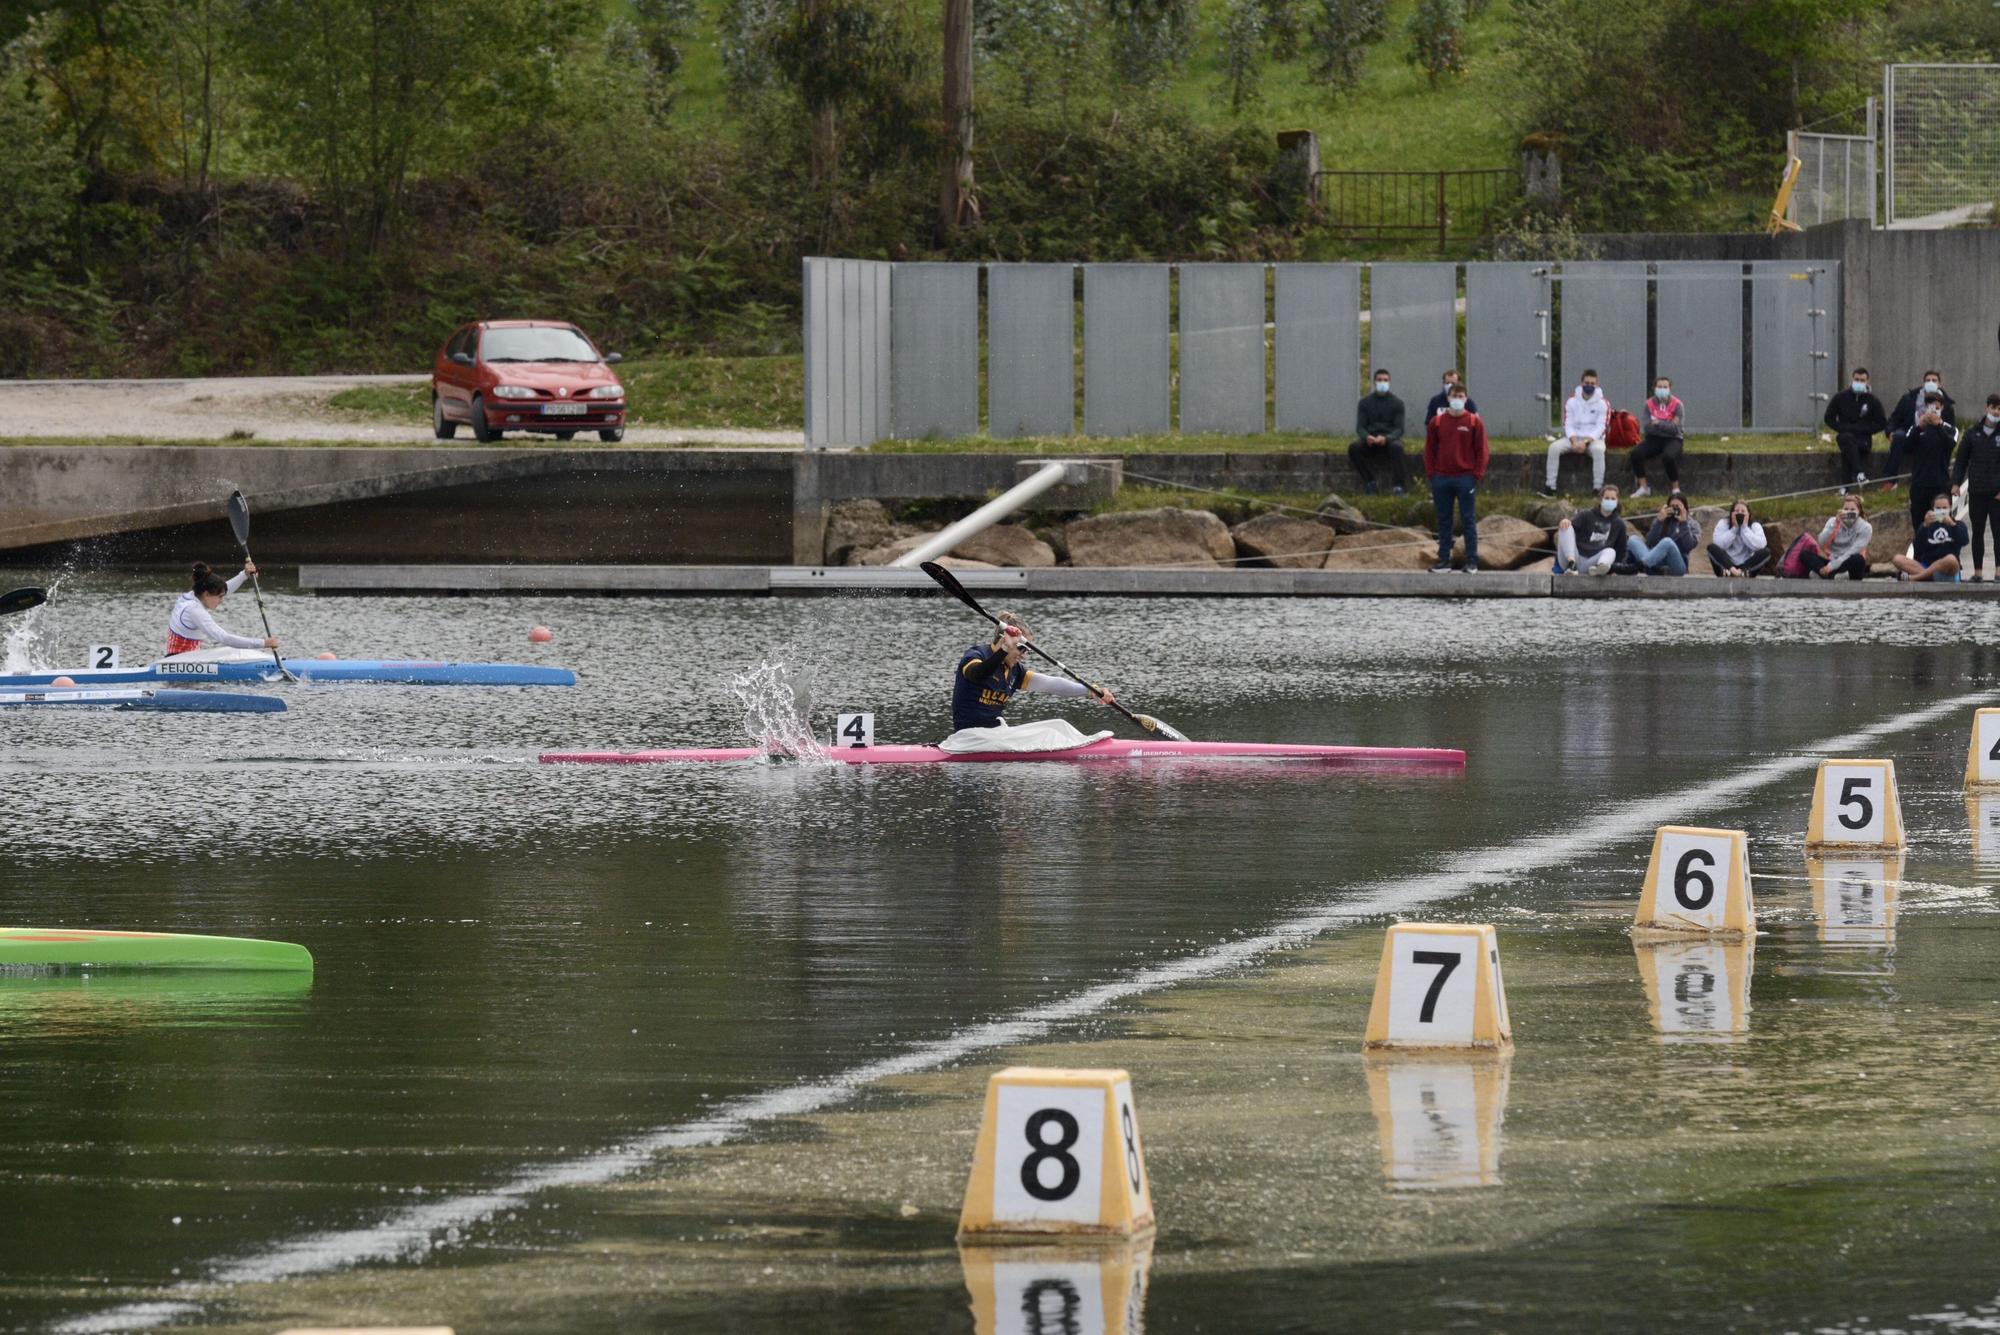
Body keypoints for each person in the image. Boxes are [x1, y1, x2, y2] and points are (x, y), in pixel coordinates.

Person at [951, 615, 1114, 733]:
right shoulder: (975, 656)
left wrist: (1090, 690)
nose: (1024, 655)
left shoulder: (1015, 670)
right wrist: (1004, 650)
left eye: (1027, 650)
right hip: (969, 737)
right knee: (1053, 730)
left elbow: (1052, 684)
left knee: (1058, 725)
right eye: (1021, 648)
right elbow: (977, 675)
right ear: (1003, 640)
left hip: (995, 735)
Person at [1423, 383, 1488, 573]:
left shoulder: (1475, 422)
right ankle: (1444, 560)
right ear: (1448, 398)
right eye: (1454, 396)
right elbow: (1429, 450)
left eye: (1461, 396)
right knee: (1444, 520)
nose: (1457, 399)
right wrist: (1432, 474)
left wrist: (1477, 474)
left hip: (1465, 477)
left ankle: (1472, 561)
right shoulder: (1437, 422)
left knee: (1468, 519)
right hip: (1441, 477)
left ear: (1466, 399)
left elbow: (1482, 451)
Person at [167, 561, 278, 656]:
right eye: (220, 597)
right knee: (231, 652)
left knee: (229, 652)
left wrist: (244, 575)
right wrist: (263, 643)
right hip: (181, 662)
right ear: (206, 594)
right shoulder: (194, 611)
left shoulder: (190, 596)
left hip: (184, 659)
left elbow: (224, 589)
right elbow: (225, 638)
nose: (222, 600)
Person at [1951, 393, 2000, 582]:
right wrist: (1956, 483)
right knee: (1977, 531)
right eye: (1994, 408)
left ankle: (1998, 571)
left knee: (1998, 532)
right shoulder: (1972, 433)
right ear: (1987, 408)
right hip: (1977, 490)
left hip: (1996, 493)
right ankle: (1978, 572)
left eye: (1999, 409)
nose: (1996, 412)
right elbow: (1961, 460)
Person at [1900, 390, 1960, 536]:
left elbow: (1950, 444)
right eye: (1930, 407)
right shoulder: (1917, 428)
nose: (1933, 411)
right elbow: (1905, 447)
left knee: (1942, 523)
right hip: (1920, 484)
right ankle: (1920, 556)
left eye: (1937, 408)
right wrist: (1919, 427)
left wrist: (1938, 425)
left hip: (1940, 485)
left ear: (1942, 408)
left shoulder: (1949, 429)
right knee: (1920, 524)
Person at [1540, 369, 1608, 498]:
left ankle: (1598, 489)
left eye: (1592, 383)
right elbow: (1568, 424)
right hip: (1573, 439)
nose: (1589, 386)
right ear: (1581, 383)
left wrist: (1586, 442)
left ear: (1597, 385)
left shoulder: (1602, 403)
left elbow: (1601, 427)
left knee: (1599, 451)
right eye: (1586, 382)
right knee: (1554, 448)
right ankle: (1550, 487)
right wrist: (1575, 441)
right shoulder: (1571, 401)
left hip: (1593, 440)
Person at [1886, 370, 1957, 490]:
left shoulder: (1948, 406)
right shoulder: (1909, 398)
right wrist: (1890, 431)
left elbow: (1950, 440)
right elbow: (1895, 417)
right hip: (1913, 430)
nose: (1930, 382)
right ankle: (1891, 480)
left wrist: (1938, 425)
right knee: (1898, 437)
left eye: (1934, 380)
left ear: (1940, 384)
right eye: (1927, 380)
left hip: (1937, 434)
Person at [1822, 367, 1888, 492]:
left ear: (1867, 382)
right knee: (1846, 440)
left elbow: (1881, 422)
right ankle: (1859, 474)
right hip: (1845, 435)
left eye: (1862, 380)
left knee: (1847, 450)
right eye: (1857, 379)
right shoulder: (1840, 397)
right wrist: (1843, 427)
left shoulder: (1872, 400)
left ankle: (1846, 487)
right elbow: (1829, 418)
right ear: (1852, 379)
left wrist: (1865, 429)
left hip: (1863, 439)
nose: (1859, 382)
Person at [1348, 368, 1408, 496]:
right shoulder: (1364, 403)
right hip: (1371, 440)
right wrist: (1367, 437)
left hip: (1389, 440)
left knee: (1398, 448)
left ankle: (1399, 487)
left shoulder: (1398, 403)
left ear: (1390, 382)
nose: (1382, 382)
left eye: (1385, 380)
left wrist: (1386, 438)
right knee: (1354, 448)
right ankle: (1370, 482)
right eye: (1379, 380)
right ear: (1374, 382)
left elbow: (1399, 429)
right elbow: (1360, 427)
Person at [1628, 377, 1684, 499]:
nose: (1662, 389)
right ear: (1654, 388)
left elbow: (1675, 429)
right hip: (1654, 438)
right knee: (1636, 453)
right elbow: (1647, 427)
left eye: (1665, 387)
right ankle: (1643, 487)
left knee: (1668, 457)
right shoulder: (1648, 404)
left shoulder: (1677, 405)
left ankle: (1675, 488)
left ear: (1670, 389)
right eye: (1659, 387)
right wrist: (1666, 424)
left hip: (1673, 439)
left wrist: (1658, 423)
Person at [1554, 483, 1627, 575]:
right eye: (1607, 498)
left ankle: (1601, 568)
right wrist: (1565, 522)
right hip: (1575, 557)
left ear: (1617, 501)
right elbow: (1568, 534)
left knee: (1611, 551)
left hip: (1593, 564)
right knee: (1566, 526)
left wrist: (1616, 570)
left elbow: (1621, 551)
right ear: (1601, 499)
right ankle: (1572, 565)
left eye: (1613, 499)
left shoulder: (1619, 524)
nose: (1610, 501)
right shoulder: (1586, 515)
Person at [1893, 492, 1968, 582]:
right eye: (1938, 508)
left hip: (1948, 568)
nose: (1941, 511)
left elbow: (1964, 541)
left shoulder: (1958, 524)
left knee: (1951, 559)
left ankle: (1916, 578)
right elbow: (1918, 547)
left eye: (1944, 508)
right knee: (1897, 558)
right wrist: (1924, 526)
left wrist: (1952, 525)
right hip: (1926, 565)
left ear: (1950, 508)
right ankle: (1930, 577)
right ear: (1933, 509)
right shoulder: (1928, 525)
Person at [1619, 491, 1698, 576]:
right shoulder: (1662, 520)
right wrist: (1659, 522)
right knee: (1633, 539)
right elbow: (1649, 542)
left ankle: (1639, 566)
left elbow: (1689, 546)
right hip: (1657, 561)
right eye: (1672, 507)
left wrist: (1683, 523)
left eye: (1677, 506)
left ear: (1685, 507)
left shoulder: (1692, 524)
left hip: (1677, 565)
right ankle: (1651, 568)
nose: (1675, 509)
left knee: (1667, 542)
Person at [1800, 495, 1872, 580]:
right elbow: (1821, 541)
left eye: (1852, 510)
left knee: (1859, 560)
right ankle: (1827, 574)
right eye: (1846, 509)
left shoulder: (1865, 527)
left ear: (1859, 512)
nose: (1848, 512)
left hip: (1846, 562)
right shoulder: (1832, 521)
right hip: (1832, 561)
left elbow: (1852, 551)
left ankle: (1828, 574)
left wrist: (1832, 566)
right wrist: (1835, 525)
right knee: (1804, 554)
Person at [1706, 500, 1770, 577]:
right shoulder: (1723, 523)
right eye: (1737, 511)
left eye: (1743, 511)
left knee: (1766, 552)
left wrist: (1744, 528)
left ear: (1748, 514)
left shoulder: (1755, 526)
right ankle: (1732, 571)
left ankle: (1741, 571)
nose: (1740, 513)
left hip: (1747, 568)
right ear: (1731, 513)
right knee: (1711, 547)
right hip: (1726, 566)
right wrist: (1734, 529)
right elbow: (1718, 544)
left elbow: (1760, 545)